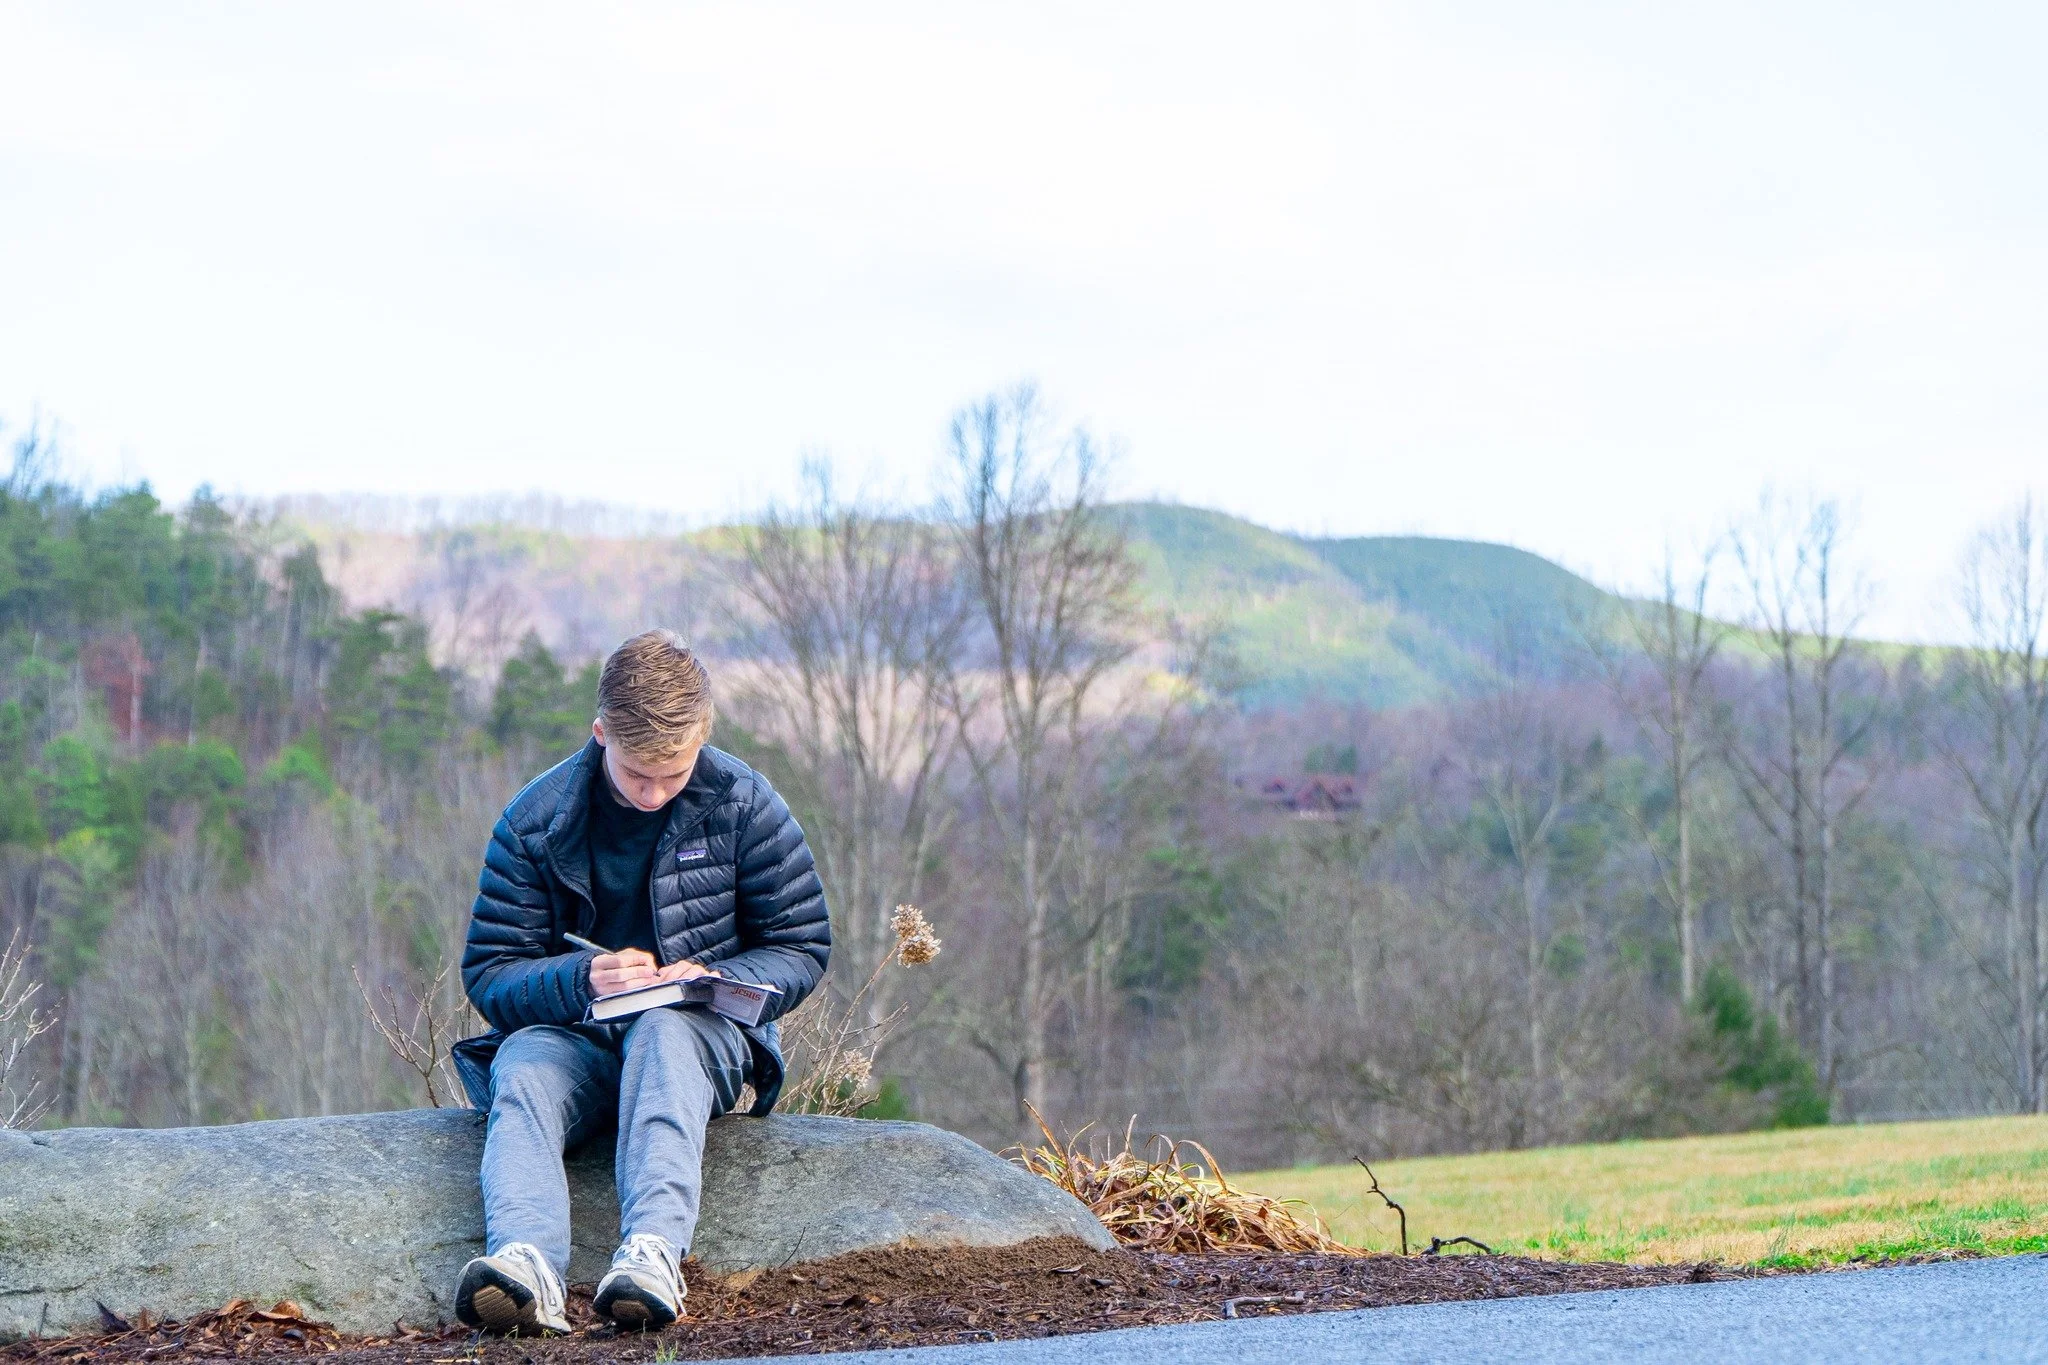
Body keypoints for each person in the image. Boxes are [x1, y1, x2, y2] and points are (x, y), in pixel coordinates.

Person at [447, 629, 830, 1333]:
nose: (654, 793)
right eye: (636, 774)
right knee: (522, 1066)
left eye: (674, 773)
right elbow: (491, 970)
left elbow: (803, 944)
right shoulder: (535, 822)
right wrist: (580, 978)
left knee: (662, 1029)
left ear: (703, 734)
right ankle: (525, 1264)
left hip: (701, 1034)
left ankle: (652, 1255)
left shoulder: (745, 803)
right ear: (600, 735)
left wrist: (720, 975)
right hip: (577, 1037)